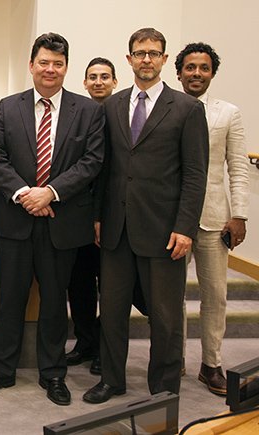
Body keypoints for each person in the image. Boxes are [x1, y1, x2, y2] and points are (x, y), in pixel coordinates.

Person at [0, 33, 104, 406]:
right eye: (44, 62)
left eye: (58, 63)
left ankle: (53, 374)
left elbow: (91, 162)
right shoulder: (8, 107)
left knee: (53, 302)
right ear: (31, 65)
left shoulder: (88, 111)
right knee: (9, 299)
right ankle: (1, 370)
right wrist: (24, 194)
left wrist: (51, 192)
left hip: (63, 222)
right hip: (16, 219)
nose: (50, 69)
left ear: (66, 68)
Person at [84, 28, 209, 404]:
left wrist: (185, 227)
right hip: (116, 228)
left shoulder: (187, 109)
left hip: (164, 231)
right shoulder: (112, 106)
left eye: (154, 53)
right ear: (129, 60)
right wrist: (97, 217)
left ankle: (164, 387)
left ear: (165, 60)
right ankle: (111, 379)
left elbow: (194, 173)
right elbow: (104, 168)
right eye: (139, 53)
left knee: (166, 317)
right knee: (113, 310)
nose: (147, 60)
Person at [175, 42, 249, 396]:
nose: (197, 73)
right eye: (190, 67)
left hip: (214, 220)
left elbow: (237, 166)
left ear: (212, 73)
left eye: (203, 68)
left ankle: (211, 364)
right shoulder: (167, 107)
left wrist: (240, 214)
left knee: (215, 296)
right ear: (179, 73)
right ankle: (174, 359)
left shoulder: (227, 113)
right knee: (170, 296)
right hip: (172, 220)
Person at [65, 57, 119, 375]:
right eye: (92, 77)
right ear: (84, 83)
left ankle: (103, 347)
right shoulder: (79, 116)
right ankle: (85, 343)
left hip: (112, 216)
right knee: (80, 285)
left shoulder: (123, 114)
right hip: (78, 216)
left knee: (111, 288)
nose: (98, 82)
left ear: (115, 81)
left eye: (104, 77)